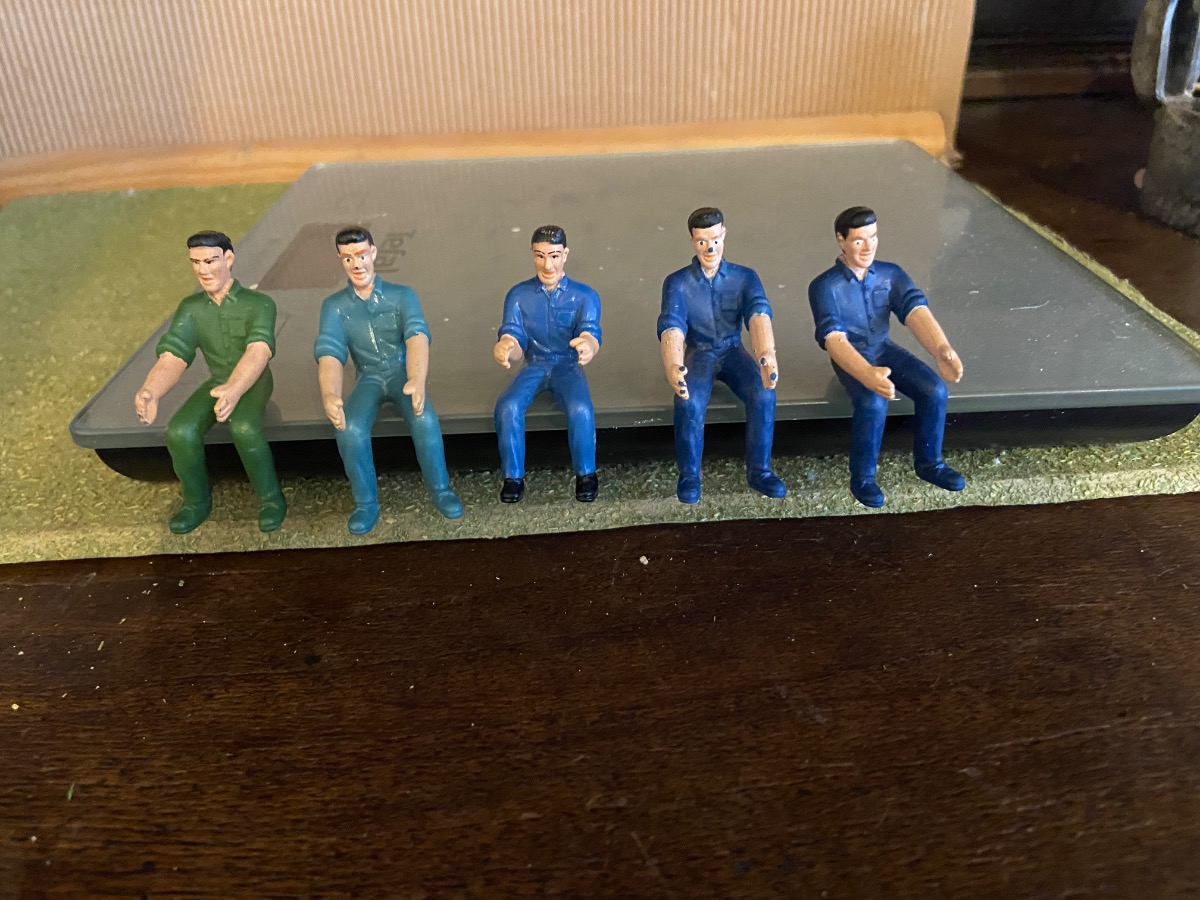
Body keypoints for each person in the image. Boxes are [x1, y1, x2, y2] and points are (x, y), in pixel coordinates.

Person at [807, 206, 966, 508]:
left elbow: (914, 309)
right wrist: (866, 373)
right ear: (841, 240)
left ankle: (929, 462)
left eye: (873, 237)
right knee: (872, 402)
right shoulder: (825, 287)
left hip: (883, 348)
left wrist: (941, 348)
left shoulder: (890, 274)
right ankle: (863, 477)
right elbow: (833, 339)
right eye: (858, 240)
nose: (868, 247)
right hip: (852, 356)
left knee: (934, 389)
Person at [134, 231, 287, 534]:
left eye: (210, 261)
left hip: (253, 382)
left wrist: (235, 388)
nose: (203, 270)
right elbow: (174, 354)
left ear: (228, 259)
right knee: (180, 430)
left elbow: (259, 350)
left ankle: (271, 499)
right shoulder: (191, 309)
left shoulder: (259, 303)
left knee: (244, 428)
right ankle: (196, 501)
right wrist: (151, 390)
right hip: (217, 381)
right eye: (196, 262)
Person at [315, 226, 463, 534]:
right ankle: (365, 502)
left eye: (361, 255)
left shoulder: (402, 296)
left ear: (373, 253)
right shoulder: (335, 306)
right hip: (368, 376)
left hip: (401, 373)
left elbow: (417, 335)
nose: (356, 264)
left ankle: (441, 489)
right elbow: (330, 352)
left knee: (424, 419)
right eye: (347, 258)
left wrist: (417, 378)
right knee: (349, 429)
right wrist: (330, 395)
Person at [657, 207, 786, 504]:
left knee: (763, 393)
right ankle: (690, 473)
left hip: (732, 350)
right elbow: (672, 326)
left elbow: (758, 313)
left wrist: (766, 353)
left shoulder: (745, 277)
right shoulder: (677, 283)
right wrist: (673, 364)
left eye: (715, 240)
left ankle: (760, 470)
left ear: (724, 235)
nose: (710, 248)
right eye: (702, 241)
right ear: (692, 241)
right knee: (688, 401)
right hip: (700, 353)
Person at [493, 225, 601, 504]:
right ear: (532, 255)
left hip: (567, 365)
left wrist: (588, 345)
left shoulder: (585, 296)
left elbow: (590, 331)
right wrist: (508, 347)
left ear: (565, 254)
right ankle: (513, 477)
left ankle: (586, 474)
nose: (547, 265)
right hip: (535, 364)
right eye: (540, 256)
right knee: (508, 406)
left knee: (581, 409)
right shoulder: (518, 295)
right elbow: (514, 335)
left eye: (553, 256)